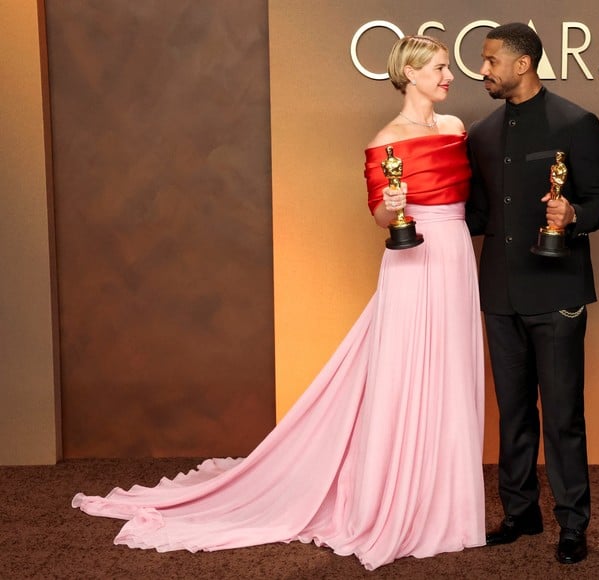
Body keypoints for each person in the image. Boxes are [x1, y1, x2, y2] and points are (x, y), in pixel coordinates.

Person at [72, 35, 485, 571]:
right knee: (406, 372)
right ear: (408, 75)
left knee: (450, 373)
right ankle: (399, 499)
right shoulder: (386, 139)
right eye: (439, 67)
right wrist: (390, 204)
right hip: (412, 262)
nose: (449, 76)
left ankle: (447, 503)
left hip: (457, 259)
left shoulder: (454, 130)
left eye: (448, 67)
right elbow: (382, 220)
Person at [465, 23, 599, 565]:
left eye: (490, 60)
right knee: (513, 411)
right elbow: (478, 216)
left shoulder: (577, 123)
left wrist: (573, 214)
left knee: (563, 414)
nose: (482, 70)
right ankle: (520, 512)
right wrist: (424, 212)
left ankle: (573, 524)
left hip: (558, 294)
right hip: (500, 293)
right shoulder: (480, 134)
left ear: (522, 64)